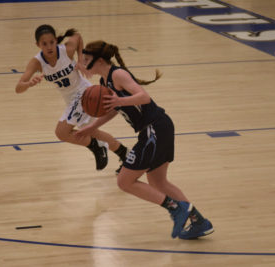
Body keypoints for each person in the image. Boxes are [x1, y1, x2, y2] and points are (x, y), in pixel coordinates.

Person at [76, 40, 214, 239]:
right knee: (158, 182)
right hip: (156, 129)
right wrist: (92, 126)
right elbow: (115, 108)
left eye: (87, 60)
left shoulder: (118, 74)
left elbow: (144, 97)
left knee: (124, 181)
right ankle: (199, 221)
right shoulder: (104, 82)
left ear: (99, 60)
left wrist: (120, 100)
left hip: (155, 128)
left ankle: (175, 208)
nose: (84, 64)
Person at [15, 25, 128, 172]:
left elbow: (77, 37)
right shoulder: (37, 62)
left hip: (84, 93)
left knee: (61, 132)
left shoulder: (66, 50)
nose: (49, 47)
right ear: (38, 45)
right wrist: (29, 84)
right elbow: (18, 88)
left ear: (56, 41)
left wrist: (80, 59)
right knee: (92, 132)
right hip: (70, 100)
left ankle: (96, 146)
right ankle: (126, 155)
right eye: (44, 44)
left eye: (51, 42)